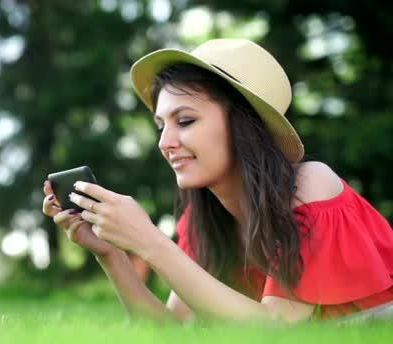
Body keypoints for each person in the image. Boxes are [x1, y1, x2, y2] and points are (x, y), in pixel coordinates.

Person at [41, 39, 393, 322]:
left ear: (245, 125)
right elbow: (174, 335)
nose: (165, 144)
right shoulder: (201, 219)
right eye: (161, 126)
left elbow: (279, 334)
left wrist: (149, 240)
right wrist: (110, 254)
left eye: (186, 121)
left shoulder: (309, 185)